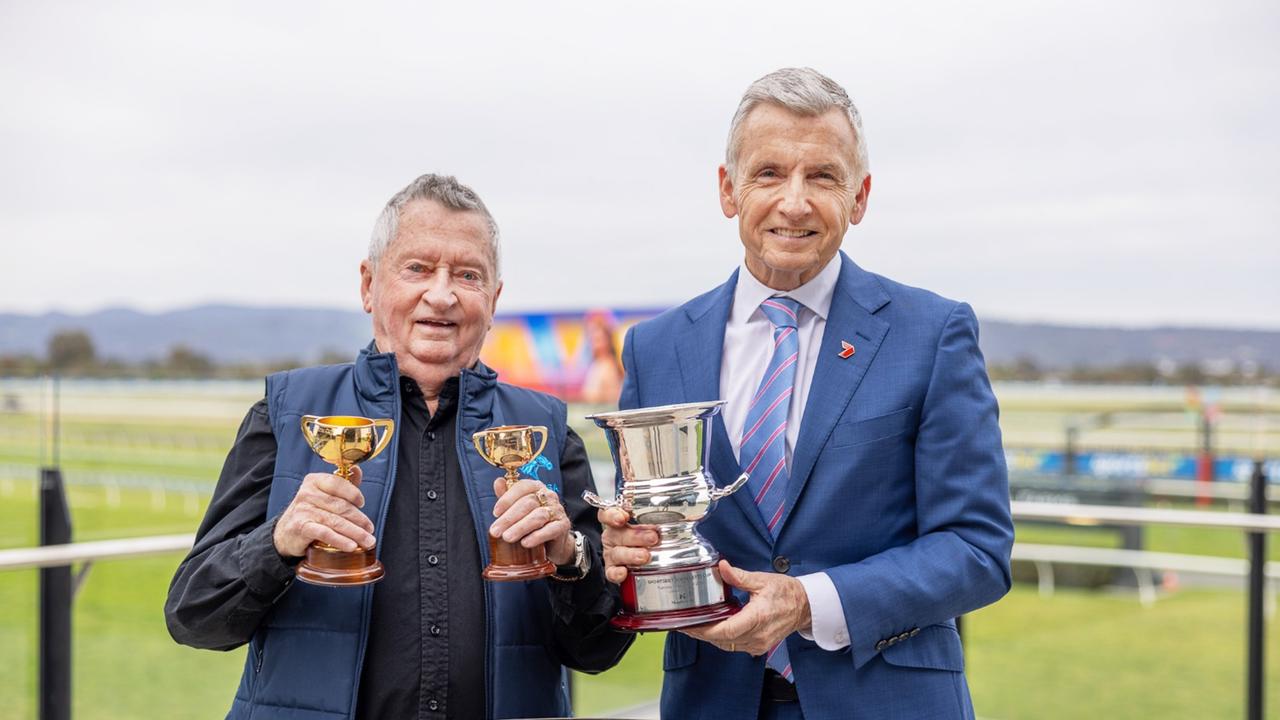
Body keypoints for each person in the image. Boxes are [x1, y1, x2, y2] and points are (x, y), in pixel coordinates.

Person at [600, 68, 1014, 720]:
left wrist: (810, 601)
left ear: (860, 197)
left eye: (823, 176)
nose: (794, 202)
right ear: (727, 189)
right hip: (712, 701)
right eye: (768, 173)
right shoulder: (655, 349)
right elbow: (643, 529)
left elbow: (977, 549)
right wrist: (622, 550)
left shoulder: (931, 334)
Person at [166, 174, 632, 720]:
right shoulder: (290, 413)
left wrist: (569, 557)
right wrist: (279, 543)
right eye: (417, 268)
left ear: (494, 298)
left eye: (468, 274)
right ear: (369, 285)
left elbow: (598, 650)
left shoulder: (544, 430)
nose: (442, 293)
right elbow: (194, 616)